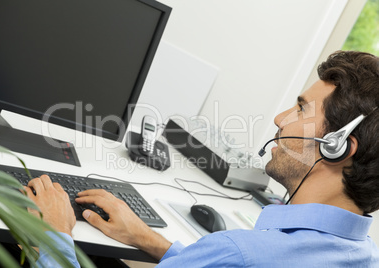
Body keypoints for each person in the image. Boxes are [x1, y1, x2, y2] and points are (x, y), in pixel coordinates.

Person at [26, 50, 379, 267]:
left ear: (335, 145)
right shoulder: (366, 257)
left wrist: (53, 232)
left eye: (301, 109)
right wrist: (147, 238)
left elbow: (233, 260)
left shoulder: (240, 253)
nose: (280, 119)